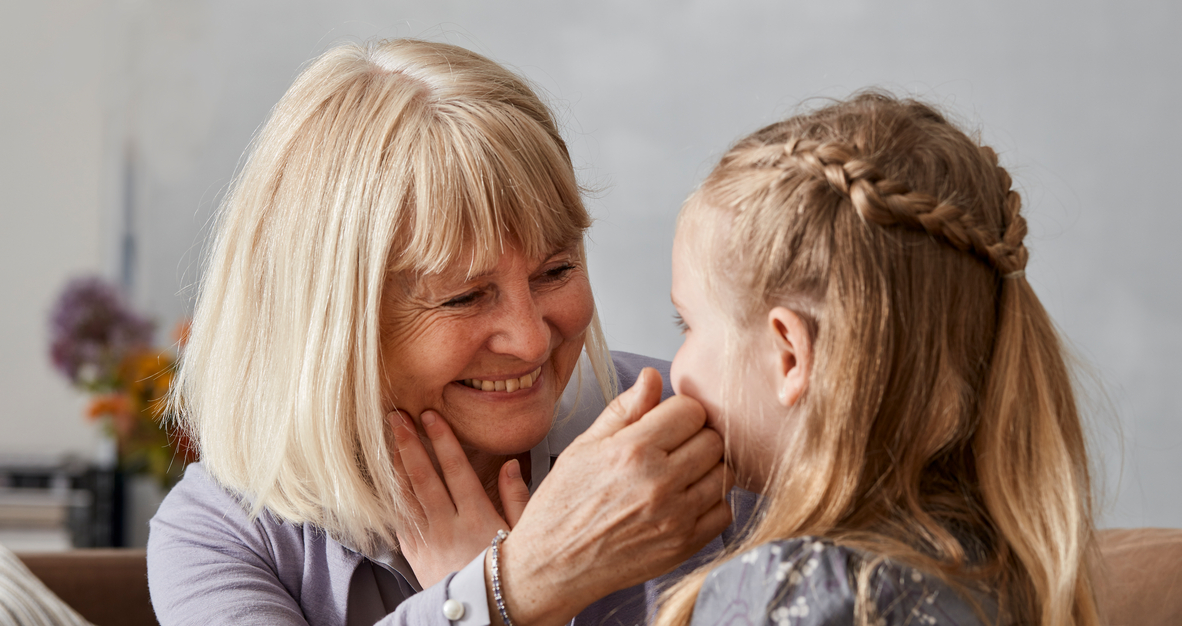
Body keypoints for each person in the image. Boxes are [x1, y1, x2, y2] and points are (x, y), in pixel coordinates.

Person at [148, 39, 744, 626]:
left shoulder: (711, 433)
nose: (532, 340)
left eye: (556, 270)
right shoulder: (221, 531)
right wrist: (516, 587)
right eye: (464, 297)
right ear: (334, 323)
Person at [655, 92, 1101, 626]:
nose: (673, 372)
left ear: (790, 354)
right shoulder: (1006, 572)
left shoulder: (789, 591)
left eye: (687, 324)